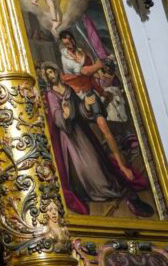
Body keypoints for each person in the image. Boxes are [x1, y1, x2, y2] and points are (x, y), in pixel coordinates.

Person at [39, 63, 151, 217]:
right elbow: (58, 119)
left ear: (57, 72)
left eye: (52, 72)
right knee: (87, 169)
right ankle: (102, 191)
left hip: (82, 134)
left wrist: (85, 105)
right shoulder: (51, 95)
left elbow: (82, 113)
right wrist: (64, 115)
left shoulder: (68, 89)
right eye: (48, 74)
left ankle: (124, 194)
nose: (51, 76)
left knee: (98, 165)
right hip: (70, 140)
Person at [58, 30, 134, 179]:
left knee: (104, 127)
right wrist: (98, 65)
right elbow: (84, 72)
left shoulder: (83, 53)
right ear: (63, 44)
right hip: (76, 98)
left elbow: (91, 78)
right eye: (67, 43)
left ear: (73, 39)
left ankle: (121, 166)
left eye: (71, 41)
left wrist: (101, 91)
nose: (70, 45)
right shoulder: (65, 57)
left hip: (89, 94)